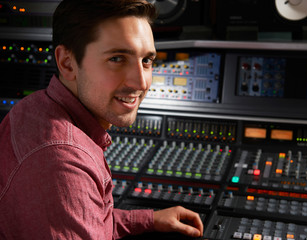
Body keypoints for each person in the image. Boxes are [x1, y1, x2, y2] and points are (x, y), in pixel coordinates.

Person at [0, 0, 203, 239]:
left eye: (147, 61)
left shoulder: (34, 106)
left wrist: (148, 220)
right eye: (117, 58)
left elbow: (84, 219)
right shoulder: (62, 164)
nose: (141, 82)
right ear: (67, 63)